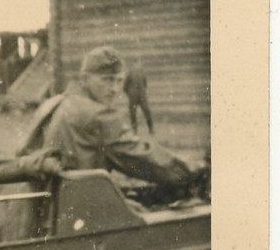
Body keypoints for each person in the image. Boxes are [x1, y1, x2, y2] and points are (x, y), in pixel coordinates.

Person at [19, 46, 194, 185]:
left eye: (119, 81)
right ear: (84, 79)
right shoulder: (98, 114)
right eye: (107, 80)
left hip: (45, 204)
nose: (115, 89)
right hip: (82, 204)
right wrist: (191, 171)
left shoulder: (52, 103)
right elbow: (141, 159)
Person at [123, 60, 155, 134]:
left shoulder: (136, 73)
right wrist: (130, 93)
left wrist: (130, 93)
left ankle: (148, 129)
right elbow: (125, 86)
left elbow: (125, 87)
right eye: (136, 64)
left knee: (144, 112)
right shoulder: (135, 73)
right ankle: (145, 129)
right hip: (137, 96)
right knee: (137, 112)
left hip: (137, 96)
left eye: (137, 64)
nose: (137, 66)